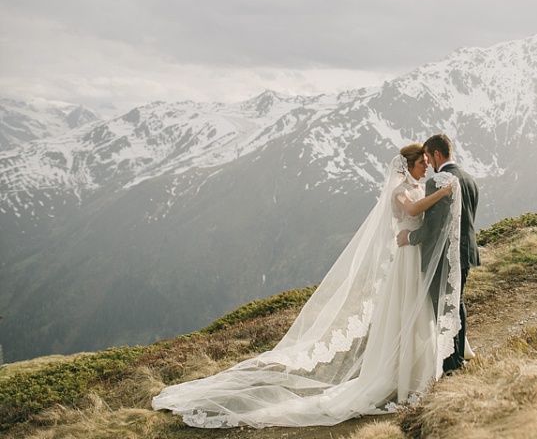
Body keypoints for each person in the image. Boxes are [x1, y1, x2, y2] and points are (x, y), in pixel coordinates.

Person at [152, 143, 463, 428]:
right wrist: (443, 193)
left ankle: (414, 374)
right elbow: (411, 211)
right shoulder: (400, 190)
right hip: (405, 261)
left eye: (426, 160)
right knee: (404, 313)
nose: (426, 165)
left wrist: (436, 195)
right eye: (421, 162)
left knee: (416, 314)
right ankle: (399, 377)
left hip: (413, 258)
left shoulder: (419, 186)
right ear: (406, 166)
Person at [397, 133, 479, 373]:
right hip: (466, 253)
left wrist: (410, 237)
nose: (428, 165)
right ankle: (458, 358)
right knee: (457, 303)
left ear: (435, 154)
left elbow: (435, 227)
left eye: (428, 159)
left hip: (443, 256)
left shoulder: (440, 181)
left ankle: (450, 364)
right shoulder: (468, 178)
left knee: (443, 308)